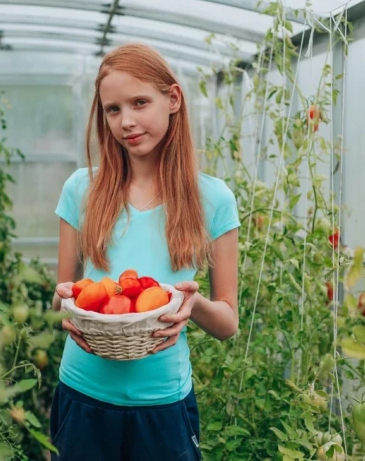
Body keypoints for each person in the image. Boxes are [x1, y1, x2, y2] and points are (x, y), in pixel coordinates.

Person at [49, 42, 240, 461]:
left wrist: (193, 303)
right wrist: (67, 305)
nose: (127, 122)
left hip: (163, 406)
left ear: (173, 99)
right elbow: (60, 297)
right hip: (84, 397)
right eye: (113, 110)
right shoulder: (82, 190)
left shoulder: (213, 199)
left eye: (140, 102)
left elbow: (228, 322)